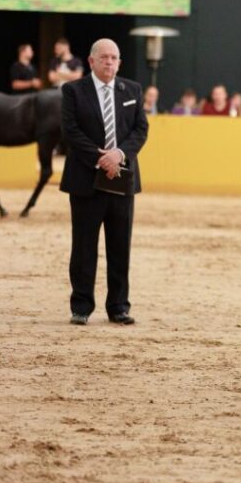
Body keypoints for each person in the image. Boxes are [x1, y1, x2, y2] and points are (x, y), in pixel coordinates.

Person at [60, 39, 149, 326]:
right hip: (86, 179)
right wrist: (102, 159)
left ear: (119, 62)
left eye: (114, 57)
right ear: (91, 61)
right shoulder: (73, 91)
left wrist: (119, 154)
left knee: (120, 244)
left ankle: (119, 307)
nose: (110, 62)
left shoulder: (132, 89)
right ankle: (81, 306)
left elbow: (140, 129)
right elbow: (70, 131)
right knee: (84, 245)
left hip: (122, 181)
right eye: (104, 57)